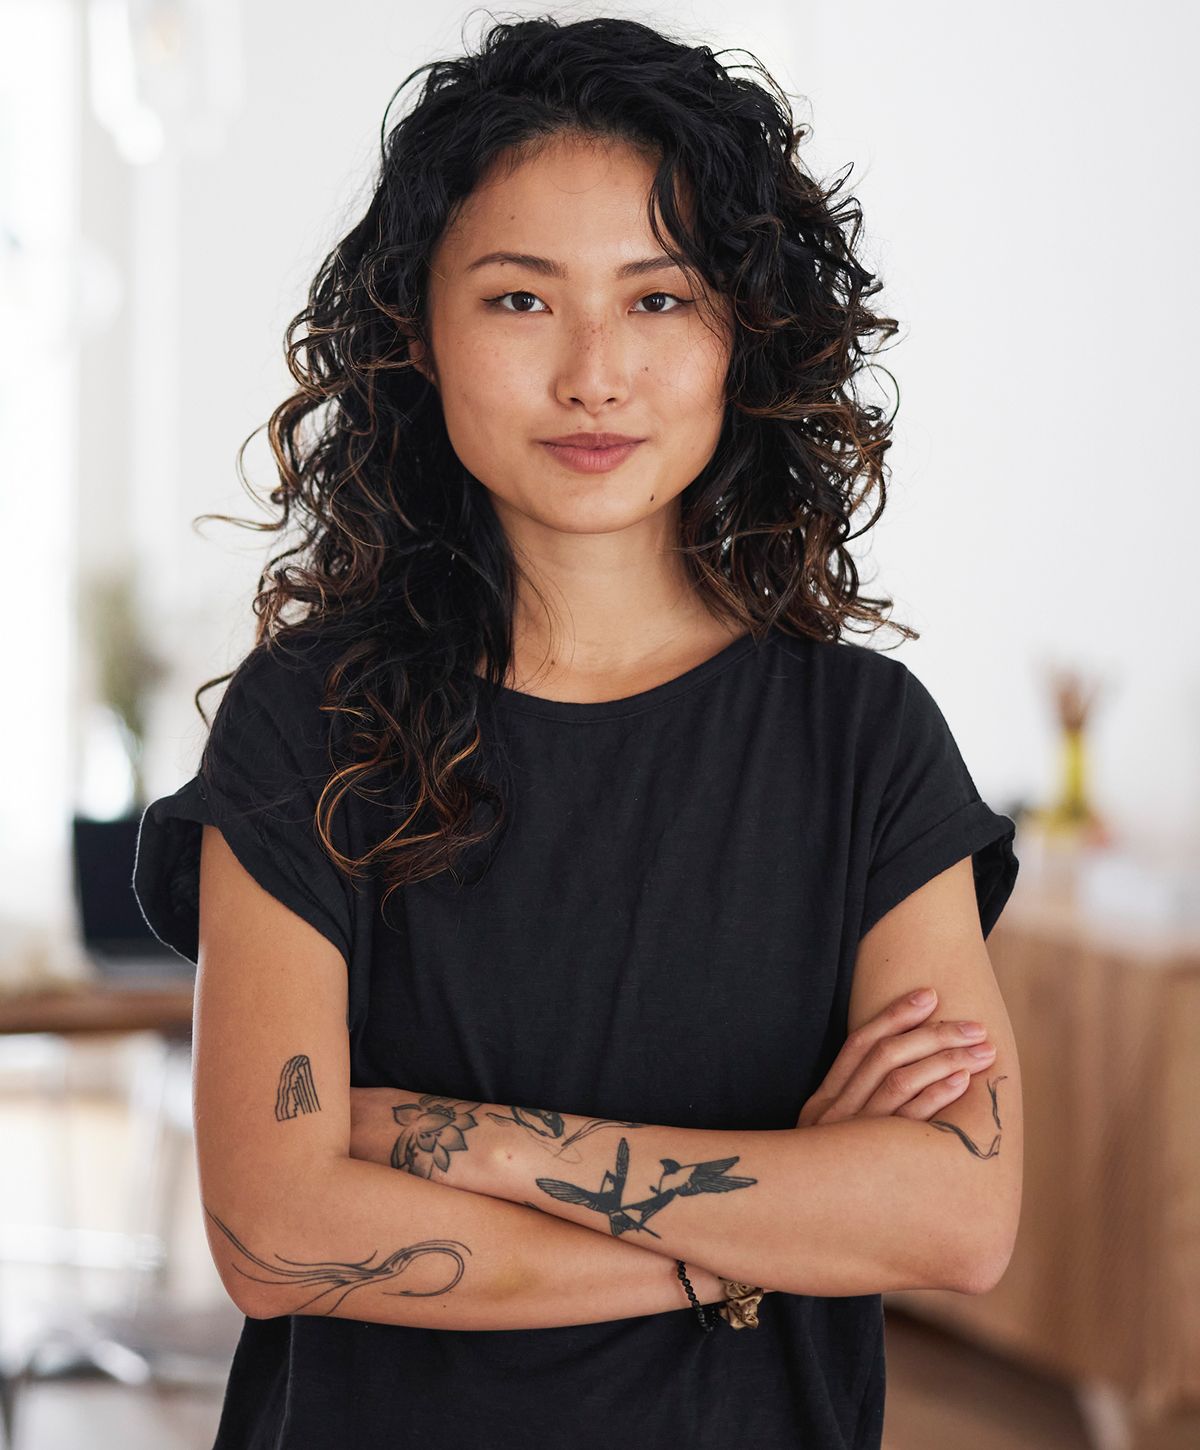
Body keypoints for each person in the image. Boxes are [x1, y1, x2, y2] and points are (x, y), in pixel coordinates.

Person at [132, 14, 1023, 1449]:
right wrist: (758, 1227)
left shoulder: (867, 743)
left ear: (745, 330)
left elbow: (959, 1211)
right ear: (419, 332)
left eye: (661, 298)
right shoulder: (310, 723)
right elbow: (280, 1230)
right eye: (521, 299)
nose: (596, 372)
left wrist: (456, 1141)